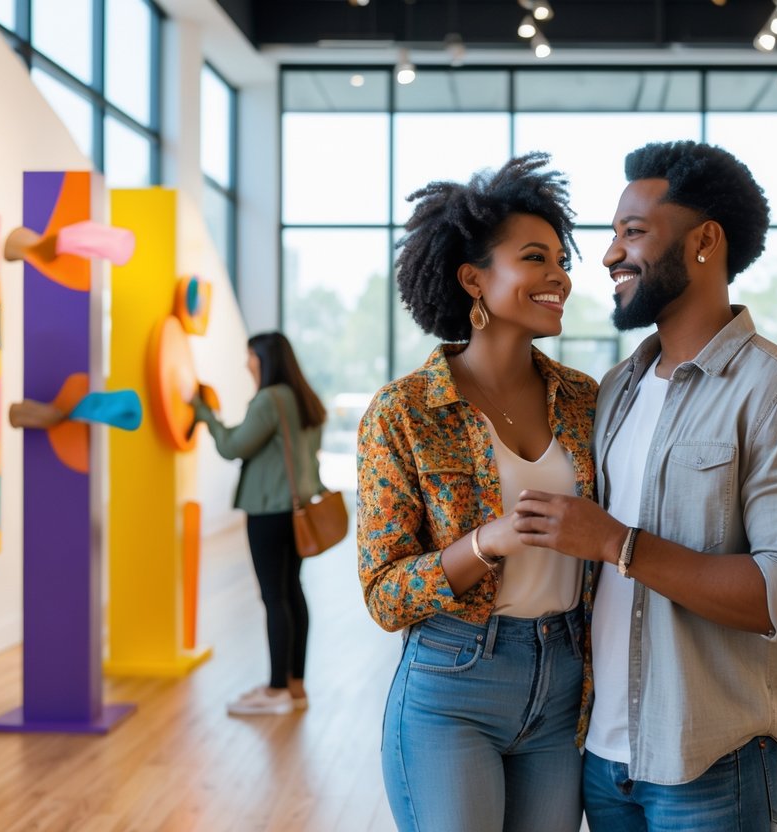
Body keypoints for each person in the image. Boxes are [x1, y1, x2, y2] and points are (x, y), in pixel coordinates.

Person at [513, 140, 777, 832]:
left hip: (713, 761)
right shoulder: (615, 391)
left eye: (632, 232)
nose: (608, 255)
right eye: (611, 235)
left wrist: (618, 544)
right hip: (603, 761)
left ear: (704, 242)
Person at [356, 153, 598, 832]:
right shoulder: (402, 412)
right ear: (472, 278)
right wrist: (484, 543)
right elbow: (383, 594)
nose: (559, 276)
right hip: (451, 684)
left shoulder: (584, 401)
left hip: (562, 685)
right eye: (533, 258)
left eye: (559, 258)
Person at [192, 332, 326, 715]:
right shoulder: (305, 398)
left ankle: (276, 689)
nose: (247, 363)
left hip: (269, 511)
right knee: (292, 591)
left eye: (250, 356)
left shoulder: (270, 400)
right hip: (298, 511)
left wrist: (206, 416)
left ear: (265, 360)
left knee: (274, 597)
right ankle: (295, 685)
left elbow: (233, 447)